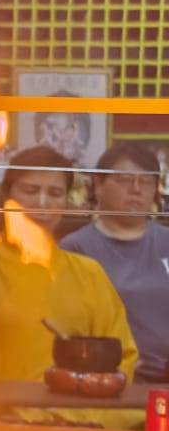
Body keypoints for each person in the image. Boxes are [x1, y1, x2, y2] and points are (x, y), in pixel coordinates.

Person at [0, 145, 139, 425]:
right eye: (30, 190)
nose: (42, 202)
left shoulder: (89, 273)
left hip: (78, 420)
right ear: (6, 197)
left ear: (65, 203)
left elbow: (122, 358)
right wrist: (8, 409)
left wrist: (73, 414)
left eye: (55, 193)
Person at [62, 146, 168, 383]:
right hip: (108, 383)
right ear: (98, 185)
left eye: (146, 182)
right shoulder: (76, 248)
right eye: (124, 180)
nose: (136, 189)